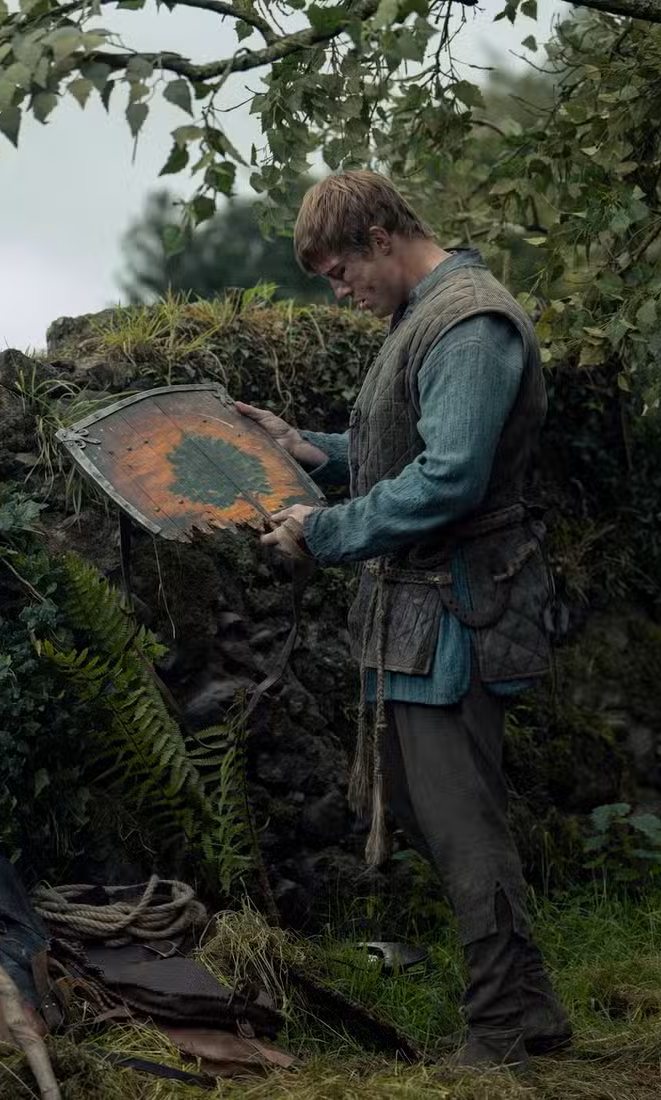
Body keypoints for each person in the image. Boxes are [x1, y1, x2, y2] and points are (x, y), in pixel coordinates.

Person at [237, 169, 571, 1071]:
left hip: (463, 609)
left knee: (460, 820)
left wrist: (326, 531)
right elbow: (407, 452)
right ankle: (530, 1007)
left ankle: (499, 1031)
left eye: (340, 271)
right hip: (423, 614)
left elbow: (452, 476)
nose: (339, 292)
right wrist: (315, 452)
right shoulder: (425, 317)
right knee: (431, 812)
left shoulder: (469, 323)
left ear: (381, 238)